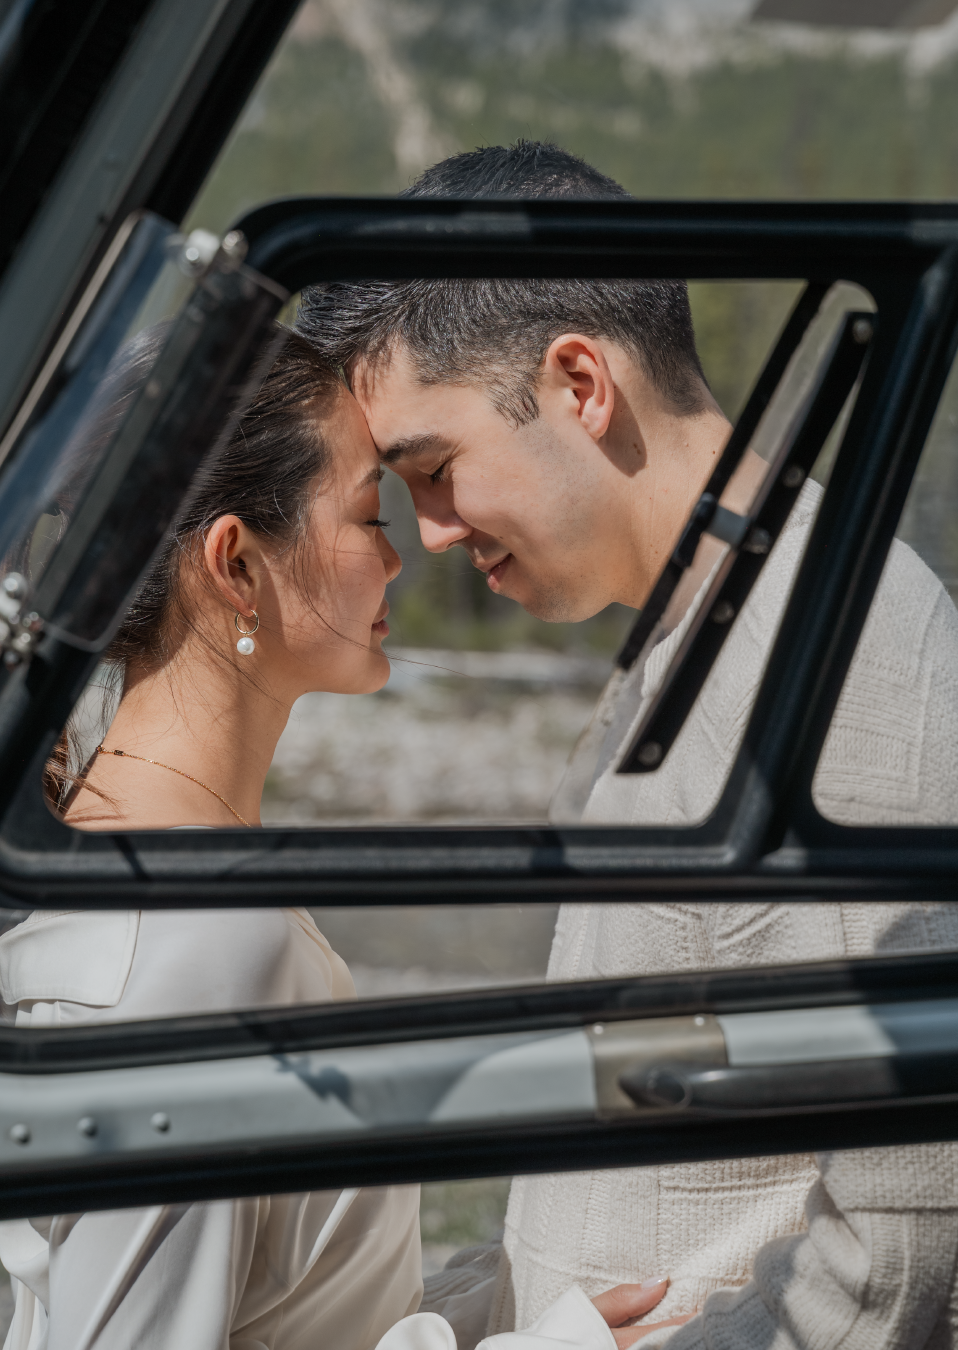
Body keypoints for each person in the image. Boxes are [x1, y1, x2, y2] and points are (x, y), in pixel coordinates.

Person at [297, 140, 958, 1349]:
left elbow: (906, 1238)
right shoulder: (689, 640)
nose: (430, 534)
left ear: (581, 384)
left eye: (434, 471)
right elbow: (647, 1125)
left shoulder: (840, 650)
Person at [0, 323, 680, 1350]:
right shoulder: (191, 942)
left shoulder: (143, 868)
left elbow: (278, 1317)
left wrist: (491, 1303)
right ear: (236, 565)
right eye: (367, 514)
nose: (401, 554)